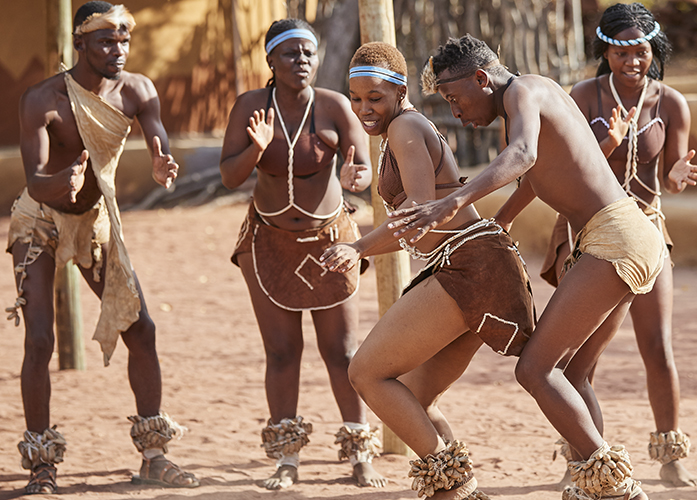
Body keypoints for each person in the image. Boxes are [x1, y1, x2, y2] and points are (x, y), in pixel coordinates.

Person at [389, 34, 669, 500]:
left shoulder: (524, 92)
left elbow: (524, 158)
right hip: (626, 238)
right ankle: (592, 483)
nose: (455, 113)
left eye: (455, 99)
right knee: (571, 374)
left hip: (615, 238)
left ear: (482, 79)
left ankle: (619, 487)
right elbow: (538, 176)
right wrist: (497, 223)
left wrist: (454, 201)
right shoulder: (532, 97)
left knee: (534, 370)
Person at [320, 41, 535, 500]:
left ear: (399, 92)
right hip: (476, 268)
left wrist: (357, 246)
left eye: (375, 97)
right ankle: (460, 489)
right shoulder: (401, 128)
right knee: (411, 400)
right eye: (355, 99)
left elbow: (420, 211)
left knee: (366, 373)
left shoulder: (406, 127)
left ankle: (450, 485)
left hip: (471, 267)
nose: (364, 109)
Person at [7, 1, 199, 494]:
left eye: (124, 40)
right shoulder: (42, 99)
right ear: (79, 44)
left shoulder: (136, 90)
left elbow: (159, 142)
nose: (119, 50)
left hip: (96, 222)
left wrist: (162, 164)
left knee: (142, 329)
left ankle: (154, 455)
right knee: (39, 341)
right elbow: (34, 181)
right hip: (41, 221)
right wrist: (59, 183)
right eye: (105, 41)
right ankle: (42, 465)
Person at [537, 3, 697, 488]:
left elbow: (671, 175)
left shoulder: (670, 103)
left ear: (655, 51)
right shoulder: (582, 96)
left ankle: (671, 453)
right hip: (595, 238)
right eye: (623, 51)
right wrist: (606, 146)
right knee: (578, 360)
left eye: (642, 50)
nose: (634, 60)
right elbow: (564, 169)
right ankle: (586, 461)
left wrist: (673, 178)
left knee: (657, 346)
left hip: (649, 234)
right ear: (605, 51)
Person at [218, 19, 386, 490]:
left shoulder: (333, 106)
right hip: (268, 242)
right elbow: (230, 176)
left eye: (308, 53)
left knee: (342, 351)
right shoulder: (250, 107)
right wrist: (255, 149)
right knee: (281, 351)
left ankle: (359, 455)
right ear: (270, 60)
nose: (302, 61)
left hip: (329, 242)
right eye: (290, 53)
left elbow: (362, 166)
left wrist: (358, 178)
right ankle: (286, 459)